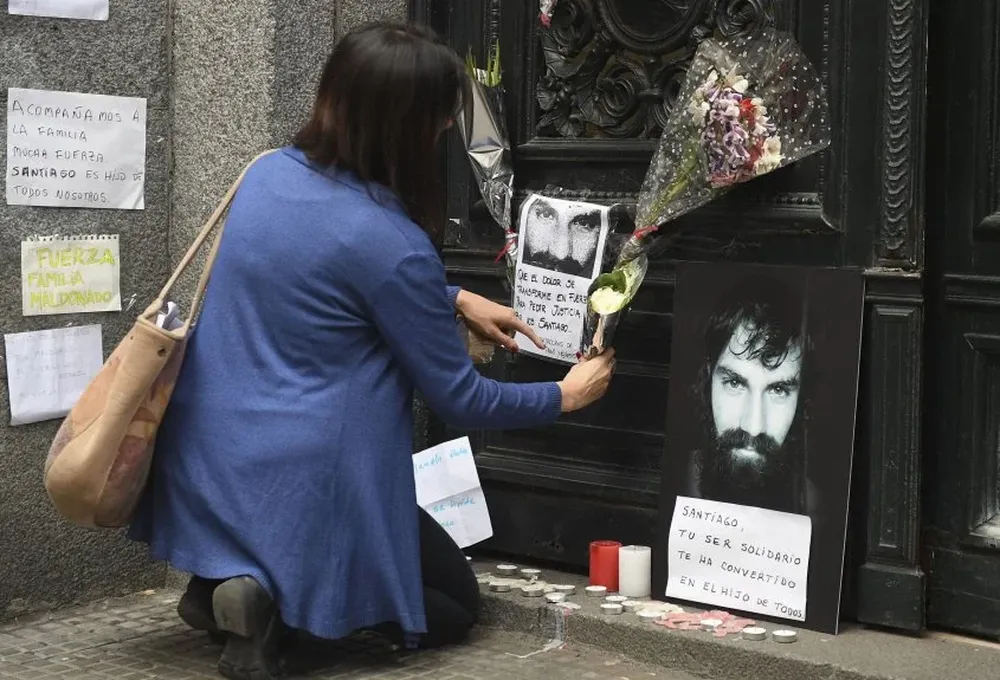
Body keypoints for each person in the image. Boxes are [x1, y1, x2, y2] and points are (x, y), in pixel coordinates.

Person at [127, 22, 615, 680]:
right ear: (405, 124)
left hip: (207, 467)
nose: (449, 127)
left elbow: (322, 275)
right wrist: (566, 394)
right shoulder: (390, 240)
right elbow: (461, 400)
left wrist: (448, 297)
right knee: (449, 603)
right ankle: (272, 611)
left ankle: (222, 582)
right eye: (442, 114)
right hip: (308, 486)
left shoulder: (267, 174)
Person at [683, 275, 814, 516]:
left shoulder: (821, 514)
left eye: (778, 390)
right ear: (708, 377)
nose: (753, 427)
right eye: (734, 383)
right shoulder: (674, 481)